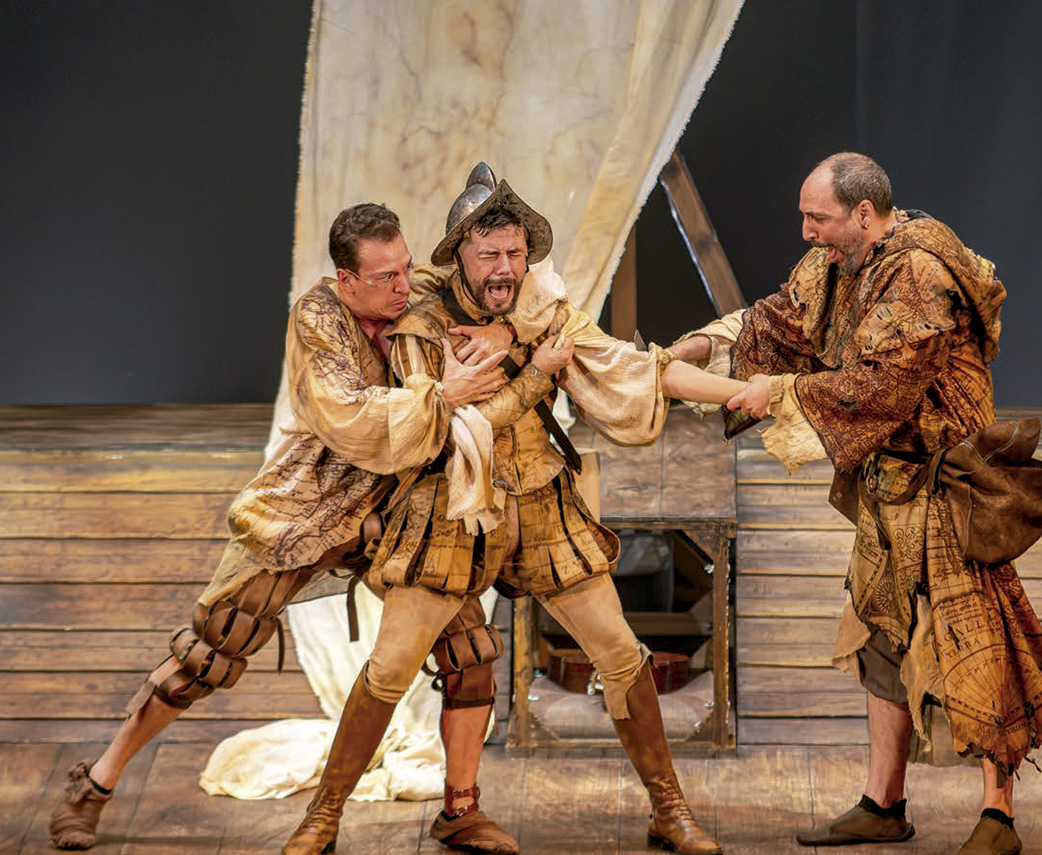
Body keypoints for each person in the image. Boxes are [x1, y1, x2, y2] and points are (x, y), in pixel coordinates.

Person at [280, 163, 749, 855]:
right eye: (489, 254)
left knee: (621, 653)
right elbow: (448, 426)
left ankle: (669, 809)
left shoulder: (541, 309)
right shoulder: (421, 326)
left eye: (515, 252)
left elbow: (629, 366)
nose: (505, 268)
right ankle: (322, 816)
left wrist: (739, 392)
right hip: (451, 508)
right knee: (390, 666)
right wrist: (532, 371)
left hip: (540, 502)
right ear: (459, 257)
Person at [48, 202, 516, 851]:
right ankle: (94, 784)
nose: (403, 285)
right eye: (384, 276)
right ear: (346, 280)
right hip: (314, 503)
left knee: (468, 648)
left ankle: (460, 809)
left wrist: (505, 331)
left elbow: (495, 295)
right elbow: (350, 417)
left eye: (406, 268)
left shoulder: (418, 293)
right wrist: (442, 395)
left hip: (400, 505)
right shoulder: (318, 316)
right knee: (213, 645)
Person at [671, 152, 1042, 855]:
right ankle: (884, 803)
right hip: (888, 492)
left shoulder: (919, 274)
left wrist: (777, 392)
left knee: (976, 645)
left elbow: (882, 387)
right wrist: (696, 347)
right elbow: (780, 320)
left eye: (817, 218)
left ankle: (998, 814)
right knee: (882, 642)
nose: (806, 231)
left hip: (947, 493)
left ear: (864, 213)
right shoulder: (842, 261)